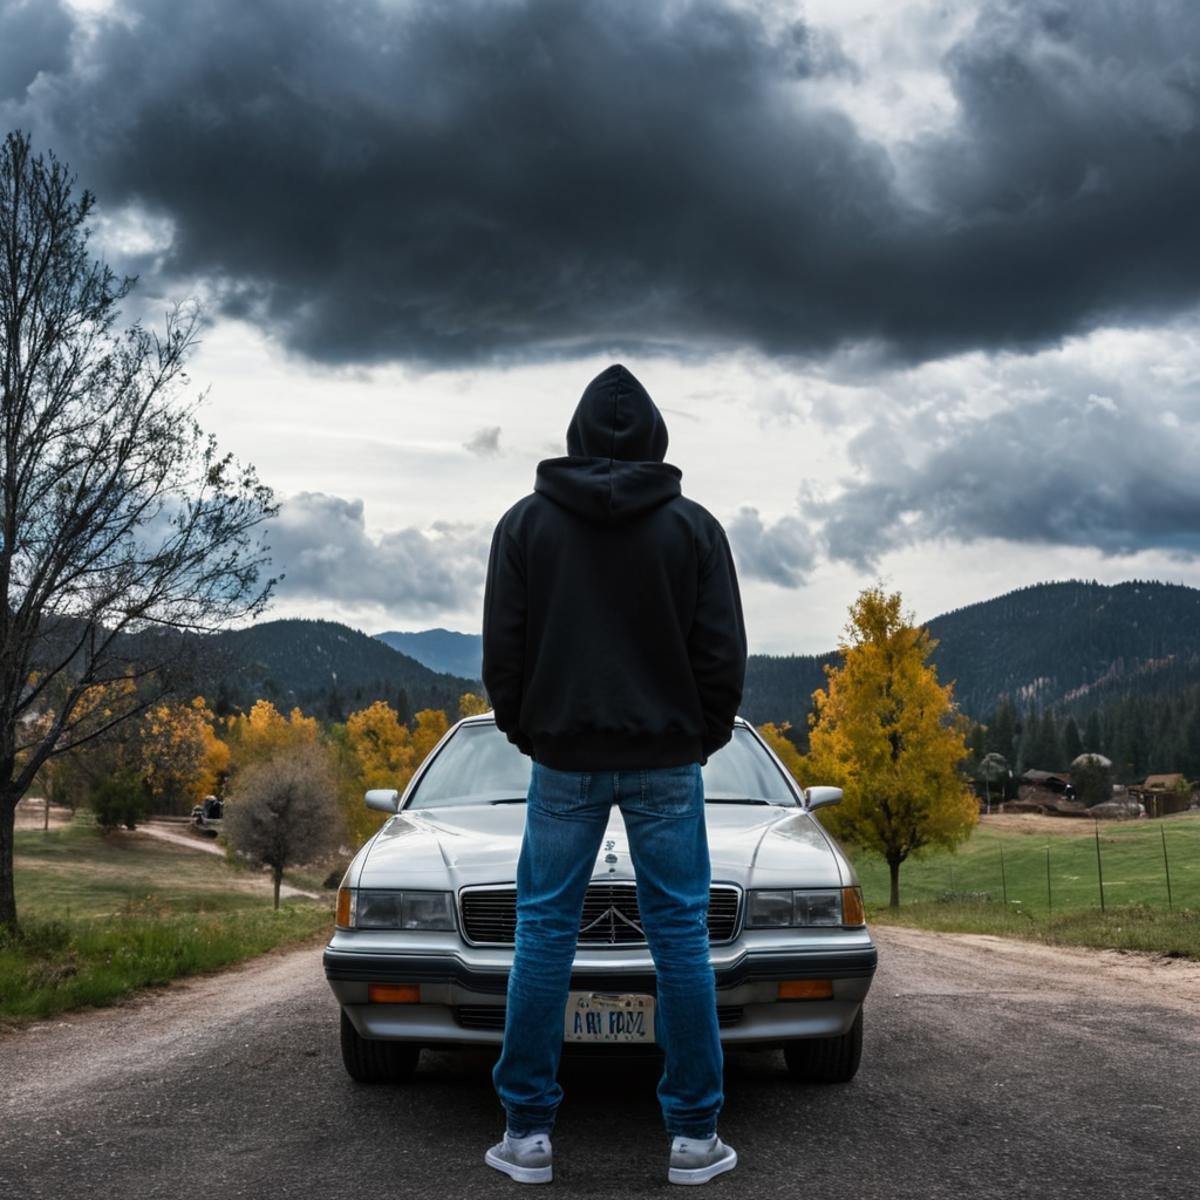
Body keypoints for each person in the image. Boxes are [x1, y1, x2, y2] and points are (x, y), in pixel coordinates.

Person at [481, 363, 747, 1185]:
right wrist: (693, 739)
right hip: (667, 760)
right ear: (658, 435)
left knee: (543, 936)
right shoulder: (694, 530)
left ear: (576, 432)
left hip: (564, 758)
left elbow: (505, 653)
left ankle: (527, 1135)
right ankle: (695, 1140)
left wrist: (534, 733)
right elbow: (722, 655)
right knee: (681, 945)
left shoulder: (526, 527)